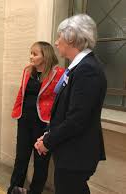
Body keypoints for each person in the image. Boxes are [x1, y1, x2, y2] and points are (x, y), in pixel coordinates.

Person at [34, 14, 107, 194]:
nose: (56, 42)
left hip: (77, 153)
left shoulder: (87, 69)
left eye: (60, 37)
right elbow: (63, 110)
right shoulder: (79, 66)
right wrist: (48, 135)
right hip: (70, 149)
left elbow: (77, 119)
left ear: (72, 38)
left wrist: (48, 141)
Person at [7, 41, 64, 194]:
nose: (31, 57)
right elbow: (22, 92)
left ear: (45, 56)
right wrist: (16, 111)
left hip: (44, 123)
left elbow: (60, 101)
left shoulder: (58, 73)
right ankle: (13, 190)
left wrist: (53, 124)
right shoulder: (27, 71)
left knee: (41, 163)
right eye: (31, 53)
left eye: (34, 54)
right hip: (24, 120)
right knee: (21, 159)